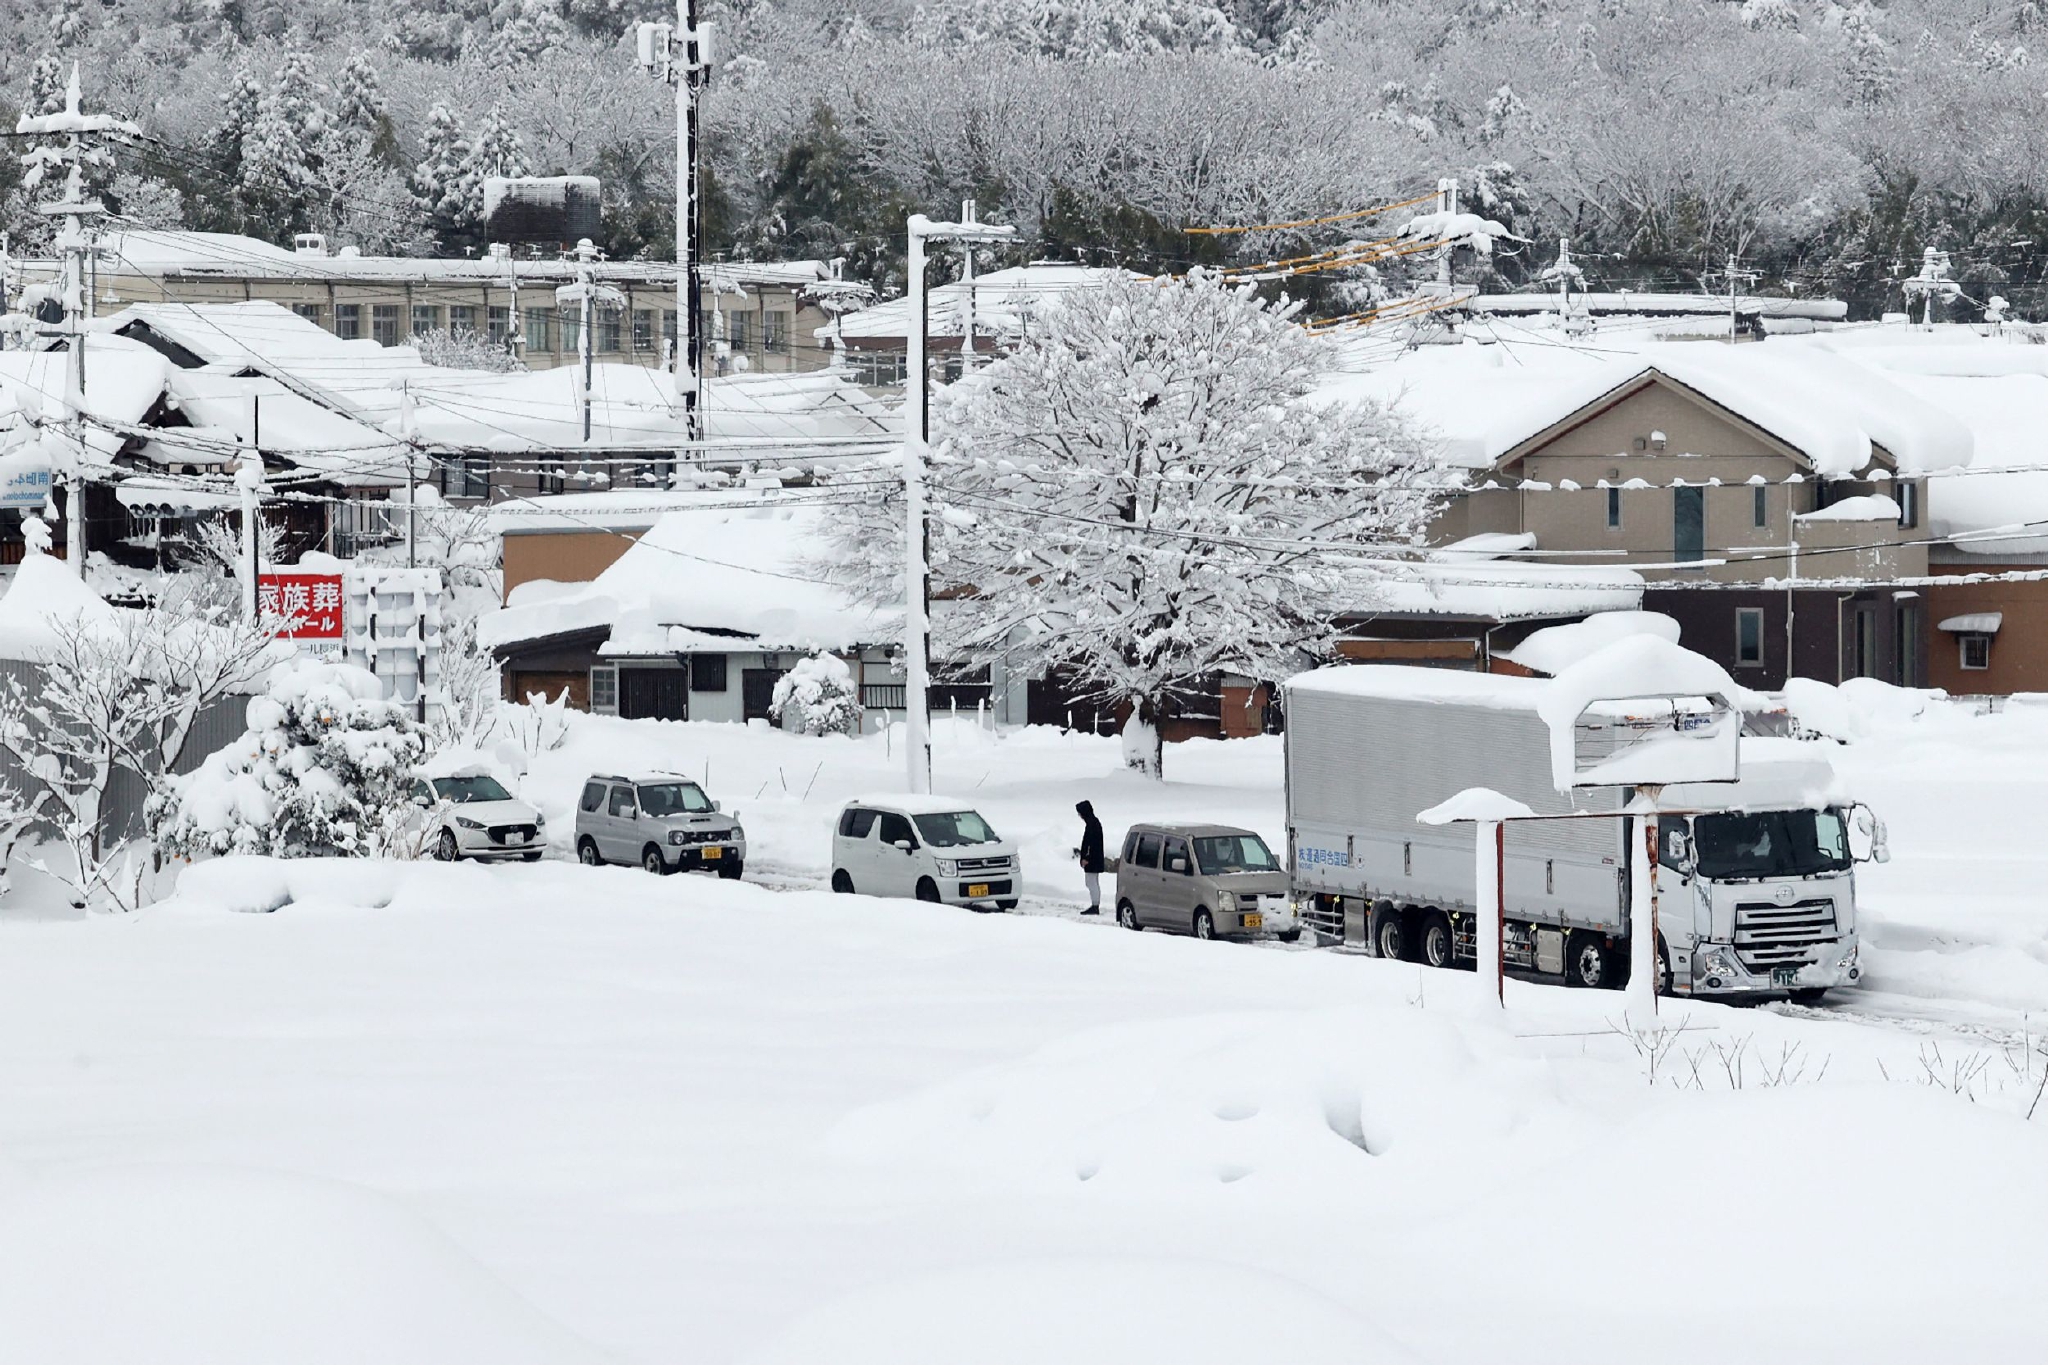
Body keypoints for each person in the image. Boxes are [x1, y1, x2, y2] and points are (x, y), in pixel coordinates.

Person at [1076, 800, 1104, 915]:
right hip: (1095, 858)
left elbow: (1090, 844)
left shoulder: (1092, 825)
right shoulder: (1094, 823)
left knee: (1091, 882)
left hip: (1092, 859)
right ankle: (1095, 904)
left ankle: (1095, 905)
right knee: (1092, 882)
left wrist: (1086, 857)